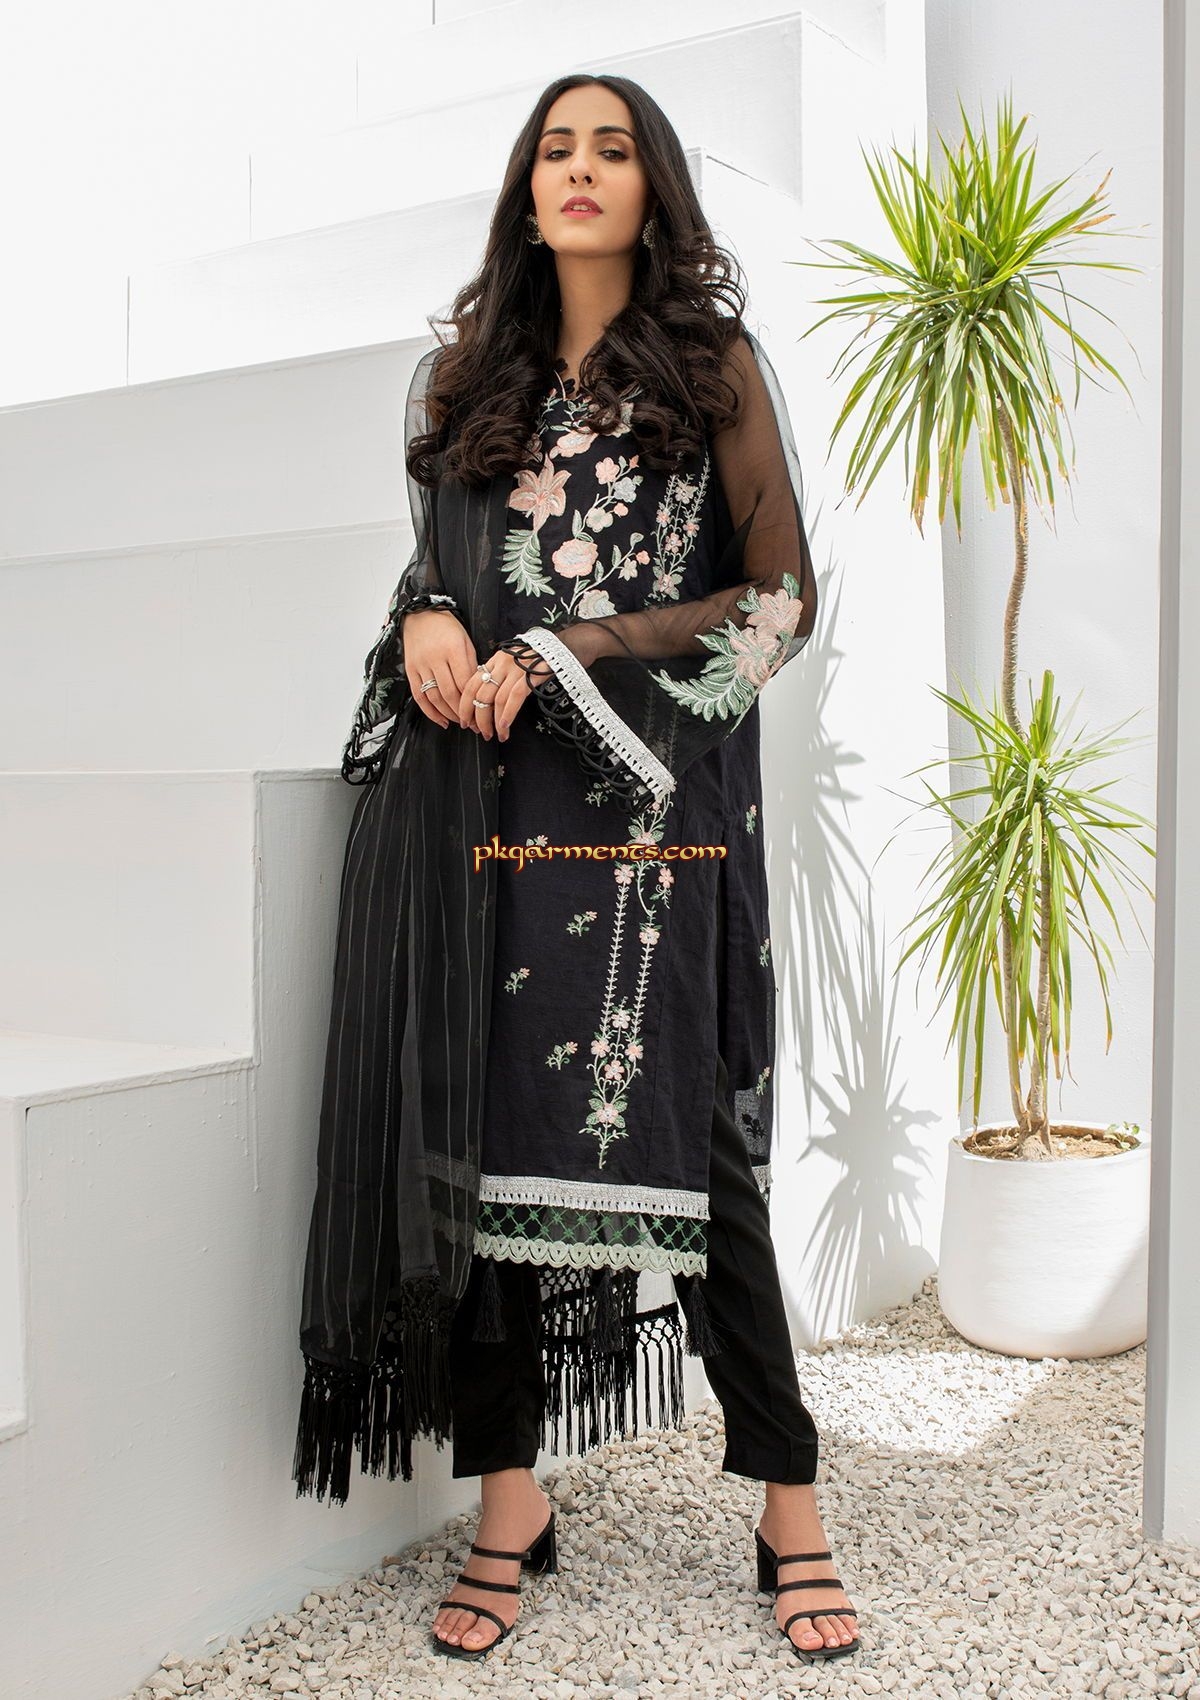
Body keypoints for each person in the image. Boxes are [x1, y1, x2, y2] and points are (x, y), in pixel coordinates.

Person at [292, 71, 861, 1668]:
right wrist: (424, 617)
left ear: (654, 186)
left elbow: (778, 602)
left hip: (647, 826)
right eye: (557, 149)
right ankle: (509, 1501)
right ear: (525, 191)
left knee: (697, 1156)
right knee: (479, 1160)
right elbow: (442, 568)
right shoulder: (463, 380)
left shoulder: (712, 370)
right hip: (483, 813)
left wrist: (580, 649)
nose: (582, 170)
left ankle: (790, 1502)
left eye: (614, 149)